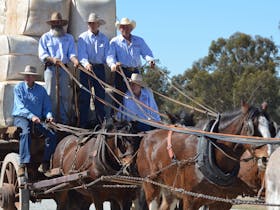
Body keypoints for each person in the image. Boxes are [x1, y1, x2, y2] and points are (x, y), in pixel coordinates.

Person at [12, 65, 57, 176]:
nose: (27, 77)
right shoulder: (18, 88)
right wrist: (31, 116)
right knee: (25, 132)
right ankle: (23, 164)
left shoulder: (41, 90)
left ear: (34, 78)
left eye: (30, 76)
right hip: (21, 117)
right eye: (26, 75)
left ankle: (45, 162)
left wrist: (49, 116)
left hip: (37, 120)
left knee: (52, 134)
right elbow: (20, 107)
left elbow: (47, 107)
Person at [38, 12, 79, 124]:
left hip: (64, 69)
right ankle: (50, 119)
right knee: (50, 94)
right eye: (55, 22)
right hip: (51, 69)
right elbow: (42, 55)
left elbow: (71, 53)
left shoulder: (68, 38)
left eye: (59, 22)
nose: (57, 24)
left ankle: (64, 120)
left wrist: (75, 61)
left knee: (65, 95)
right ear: (52, 24)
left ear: (62, 23)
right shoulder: (45, 37)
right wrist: (52, 59)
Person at [106, 17, 155, 107]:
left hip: (135, 72)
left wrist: (150, 60)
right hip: (121, 71)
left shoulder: (139, 40)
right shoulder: (115, 42)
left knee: (137, 94)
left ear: (131, 28)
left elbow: (147, 52)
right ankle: (118, 116)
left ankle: (136, 115)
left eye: (127, 27)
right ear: (120, 28)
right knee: (120, 94)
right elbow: (110, 56)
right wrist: (113, 65)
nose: (125, 29)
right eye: (123, 27)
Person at [77, 13, 109, 128]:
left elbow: (107, 56)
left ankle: (101, 123)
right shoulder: (82, 37)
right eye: (90, 23)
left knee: (100, 96)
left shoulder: (104, 39)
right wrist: (86, 64)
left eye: (93, 23)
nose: (91, 25)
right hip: (86, 69)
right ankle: (83, 124)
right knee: (85, 97)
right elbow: (81, 54)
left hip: (99, 68)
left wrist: (112, 63)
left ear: (98, 24)